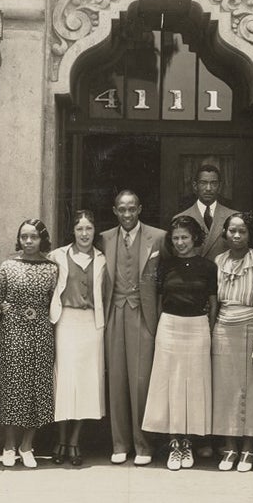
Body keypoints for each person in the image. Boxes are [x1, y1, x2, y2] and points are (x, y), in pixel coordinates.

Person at [142, 215, 218, 470]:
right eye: (175, 238)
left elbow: (213, 303)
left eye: (185, 237)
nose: (180, 242)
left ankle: (189, 443)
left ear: (195, 238)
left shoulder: (208, 267)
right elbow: (160, 298)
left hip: (198, 327)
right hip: (170, 327)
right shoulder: (165, 265)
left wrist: (209, 329)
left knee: (194, 386)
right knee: (171, 384)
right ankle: (175, 443)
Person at [96, 190, 164, 466]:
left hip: (143, 315)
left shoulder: (158, 237)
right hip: (114, 313)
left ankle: (144, 444)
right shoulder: (104, 238)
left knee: (141, 381)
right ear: (114, 210)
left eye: (132, 209)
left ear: (140, 209)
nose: (127, 214)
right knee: (117, 380)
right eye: (122, 209)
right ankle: (120, 443)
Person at [0, 219, 58, 467]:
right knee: (13, 386)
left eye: (33, 237)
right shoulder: (8, 265)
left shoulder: (52, 268)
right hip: (13, 332)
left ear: (42, 239)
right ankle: (9, 445)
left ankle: (27, 445)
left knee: (36, 387)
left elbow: (55, 301)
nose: (29, 241)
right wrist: (3, 310)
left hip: (41, 332)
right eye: (24, 237)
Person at [209, 212, 253, 472]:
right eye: (232, 230)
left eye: (242, 231)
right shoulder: (218, 261)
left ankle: (248, 448)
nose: (236, 236)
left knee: (250, 390)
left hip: (250, 326)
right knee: (225, 390)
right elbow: (213, 301)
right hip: (223, 327)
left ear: (249, 234)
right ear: (225, 233)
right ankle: (229, 446)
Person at [48, 210, 106, 466]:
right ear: (73, 231)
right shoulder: (58, 256)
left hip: (91, 324)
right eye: (80, 229)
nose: (84, 234)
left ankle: (74, 441)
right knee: (64, 381)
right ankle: (60, 440)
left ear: (95, 231)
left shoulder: (103, 259)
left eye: (89, 229)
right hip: (66, 322)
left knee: (85, 383)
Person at [174, 163, 237, 260]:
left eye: (213, 183)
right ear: (195, 186)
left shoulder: (233, 217)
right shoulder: (180, 218)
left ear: (220, 187)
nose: (208, 188)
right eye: (203, 183)